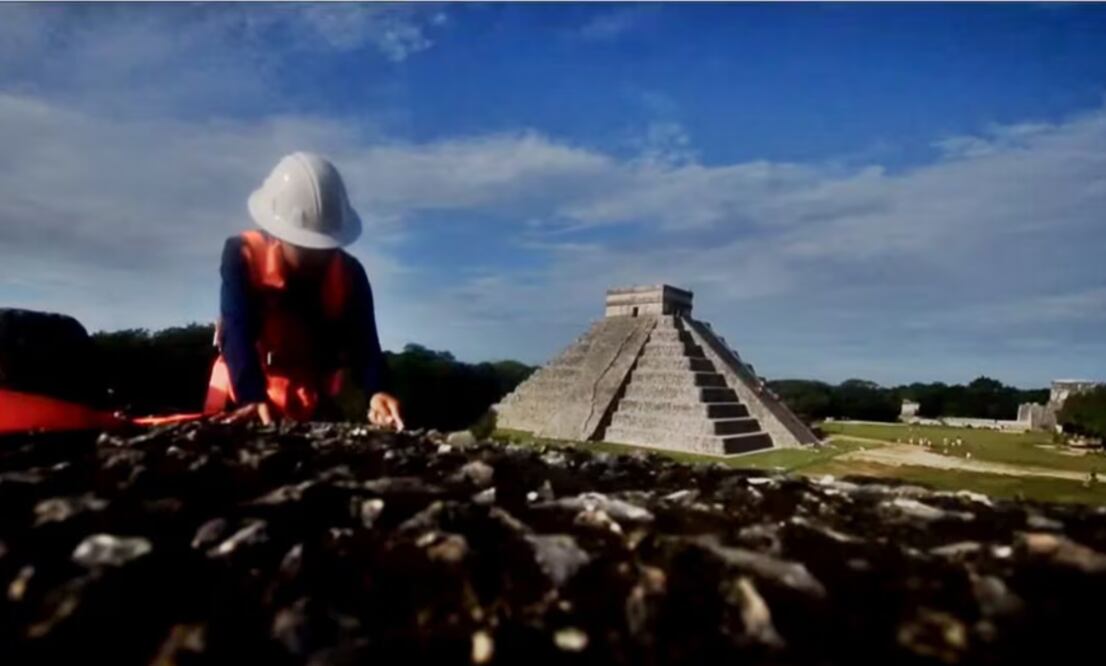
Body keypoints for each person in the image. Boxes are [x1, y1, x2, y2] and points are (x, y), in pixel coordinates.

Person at [205, 151, 404, 430]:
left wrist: (378, 390)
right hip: (242, 393)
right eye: (305, 247)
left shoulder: (350, 274)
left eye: (324, 247)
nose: (317, 257)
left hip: (309, 400)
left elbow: (366, 345)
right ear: (279, 234)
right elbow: (236, 330)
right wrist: (250, 395)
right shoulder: (243, 255)